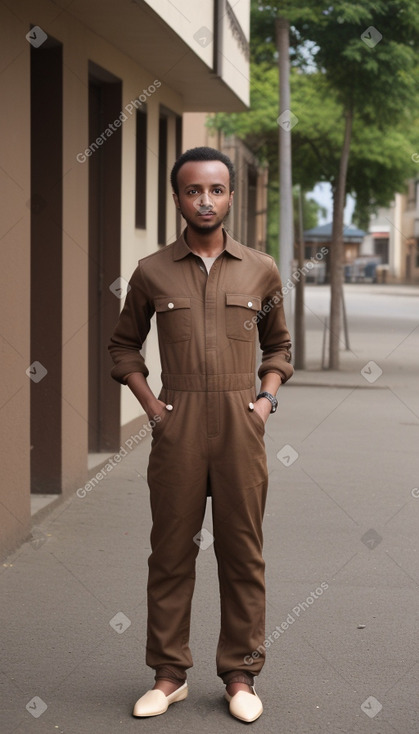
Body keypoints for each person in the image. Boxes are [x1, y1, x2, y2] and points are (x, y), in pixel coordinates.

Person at [108, 146, 293, 722]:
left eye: (216, 190)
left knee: (243, 554)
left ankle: (241, 675)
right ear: (177, 198)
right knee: (170, 554)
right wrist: (154, 409)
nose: (205, 200)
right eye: (193, 191)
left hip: (242, 428)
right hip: (178, 425)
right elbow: (122, 347)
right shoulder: (152, 272)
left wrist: (263, 403)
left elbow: (279, 347)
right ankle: (168, 675)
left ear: (231, 196)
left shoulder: (260, 269)